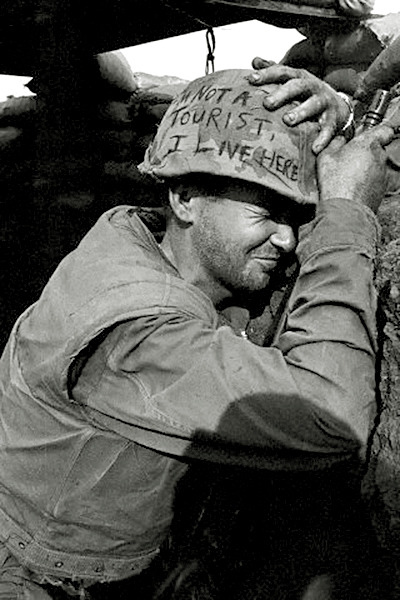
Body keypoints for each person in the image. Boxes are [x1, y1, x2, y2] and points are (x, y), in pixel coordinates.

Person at [0, 68, 394, 599]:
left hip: (142, 559)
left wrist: (341, 116)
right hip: (49, 580)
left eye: (298, 215)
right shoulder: (131, 327)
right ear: (185, 198)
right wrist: (344, 218)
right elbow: (333, 419)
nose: (286, 238)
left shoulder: (164, 248)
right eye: (264, 210)